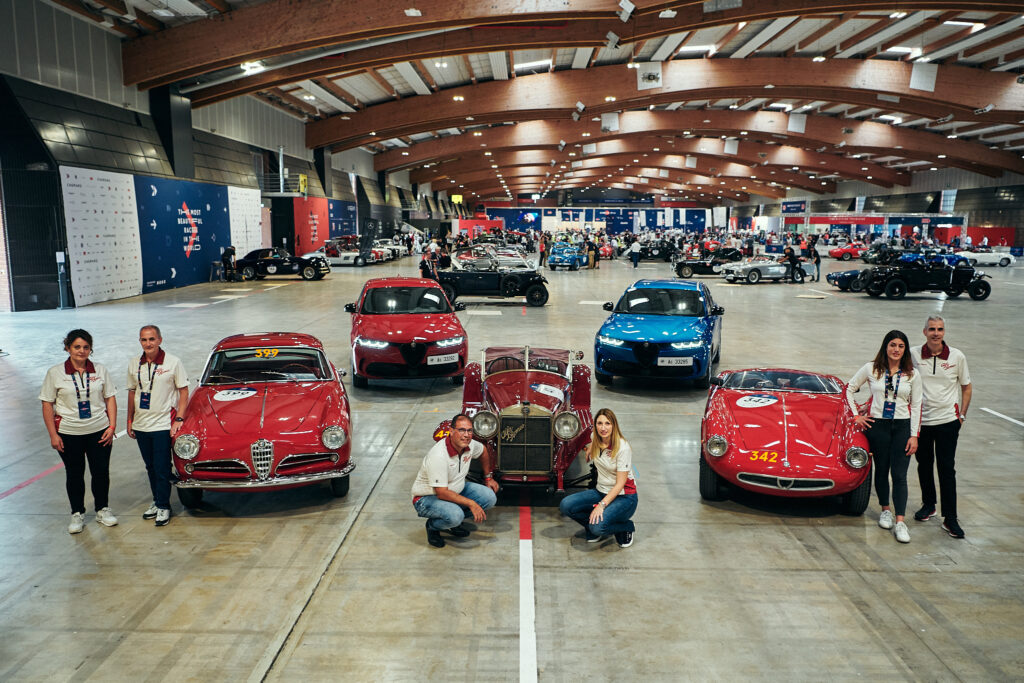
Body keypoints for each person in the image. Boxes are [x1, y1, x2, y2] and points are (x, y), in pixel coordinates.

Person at [39, 330, 119, 534]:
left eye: (85, 347)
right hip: (69, 433)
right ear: (67, 347)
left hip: (99, 431)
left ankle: (102, 509)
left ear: (91, 349)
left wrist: (111, 427)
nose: (81, 351)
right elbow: (47, 404)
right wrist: (53, 434)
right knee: (74, 474)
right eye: (77, 347)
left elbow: (110, 397)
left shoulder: (100, 370)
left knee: (100, 472)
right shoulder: (55, 373)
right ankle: (77, 513)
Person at [846, 330, 922, 544]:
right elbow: (849, 389)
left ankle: (900, 522)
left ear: (905, 349)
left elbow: (916, 406)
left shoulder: (912, 374)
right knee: (881, 470)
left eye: (900, 346)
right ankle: (885, 510)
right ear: (885, 347)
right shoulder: (871, 368)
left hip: (902, 427)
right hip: (877, 425)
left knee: (899, 475)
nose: (896, 349)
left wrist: (914, 435)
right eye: (892, 345)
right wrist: (855, 416)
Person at [910, 316, 972, 539]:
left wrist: (961, 416)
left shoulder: (957, 357)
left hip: (948, 422)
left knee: (947, 469)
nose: (936, 333)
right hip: (922, 423)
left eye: (940, 329)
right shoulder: (914, 355)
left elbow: (966, 387)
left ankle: (951, 518)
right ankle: (929, 505)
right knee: (924, 465)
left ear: (944, 332)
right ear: (924, 331)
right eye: (932, 329)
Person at [126, 325, 189, 527]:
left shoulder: (173, 362)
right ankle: (156, 500)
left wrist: (179, 419)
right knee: (150, 466)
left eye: (152, 339)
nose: (148, 344)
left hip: (162, 424)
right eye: (144, 340)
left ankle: (164, 505)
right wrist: (129, 420)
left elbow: (184, 391)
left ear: (160, 340)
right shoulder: (135, 363)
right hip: (141, 424)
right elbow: (132, 393)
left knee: (162, 467)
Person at [411, 414, 500, 548]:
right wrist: (471, 503)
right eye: (461, 430)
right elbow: (441, 493)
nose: (466, 435)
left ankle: (452, 523)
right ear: (451, 432)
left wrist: (488, 477)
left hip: (455, 489)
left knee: (489, 497)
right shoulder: (438, 456)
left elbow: (483, 451)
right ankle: (433, 526)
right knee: (455, 515)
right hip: (427, 498)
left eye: (469, 430)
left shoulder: (468, 444)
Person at [559, 408, 638, 547]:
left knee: (597, 527)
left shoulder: (622, 448)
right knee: (566, 505)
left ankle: (625, 527)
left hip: (624, 497)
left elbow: (620, 484)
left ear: (614, 425)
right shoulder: (595, 439)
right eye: (600, 423)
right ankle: (594, 525)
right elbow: (584, 441)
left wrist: (601, 506)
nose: (603, 428)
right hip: (601, 491)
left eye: (607, 423)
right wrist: (588, 448)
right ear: (595, 425)